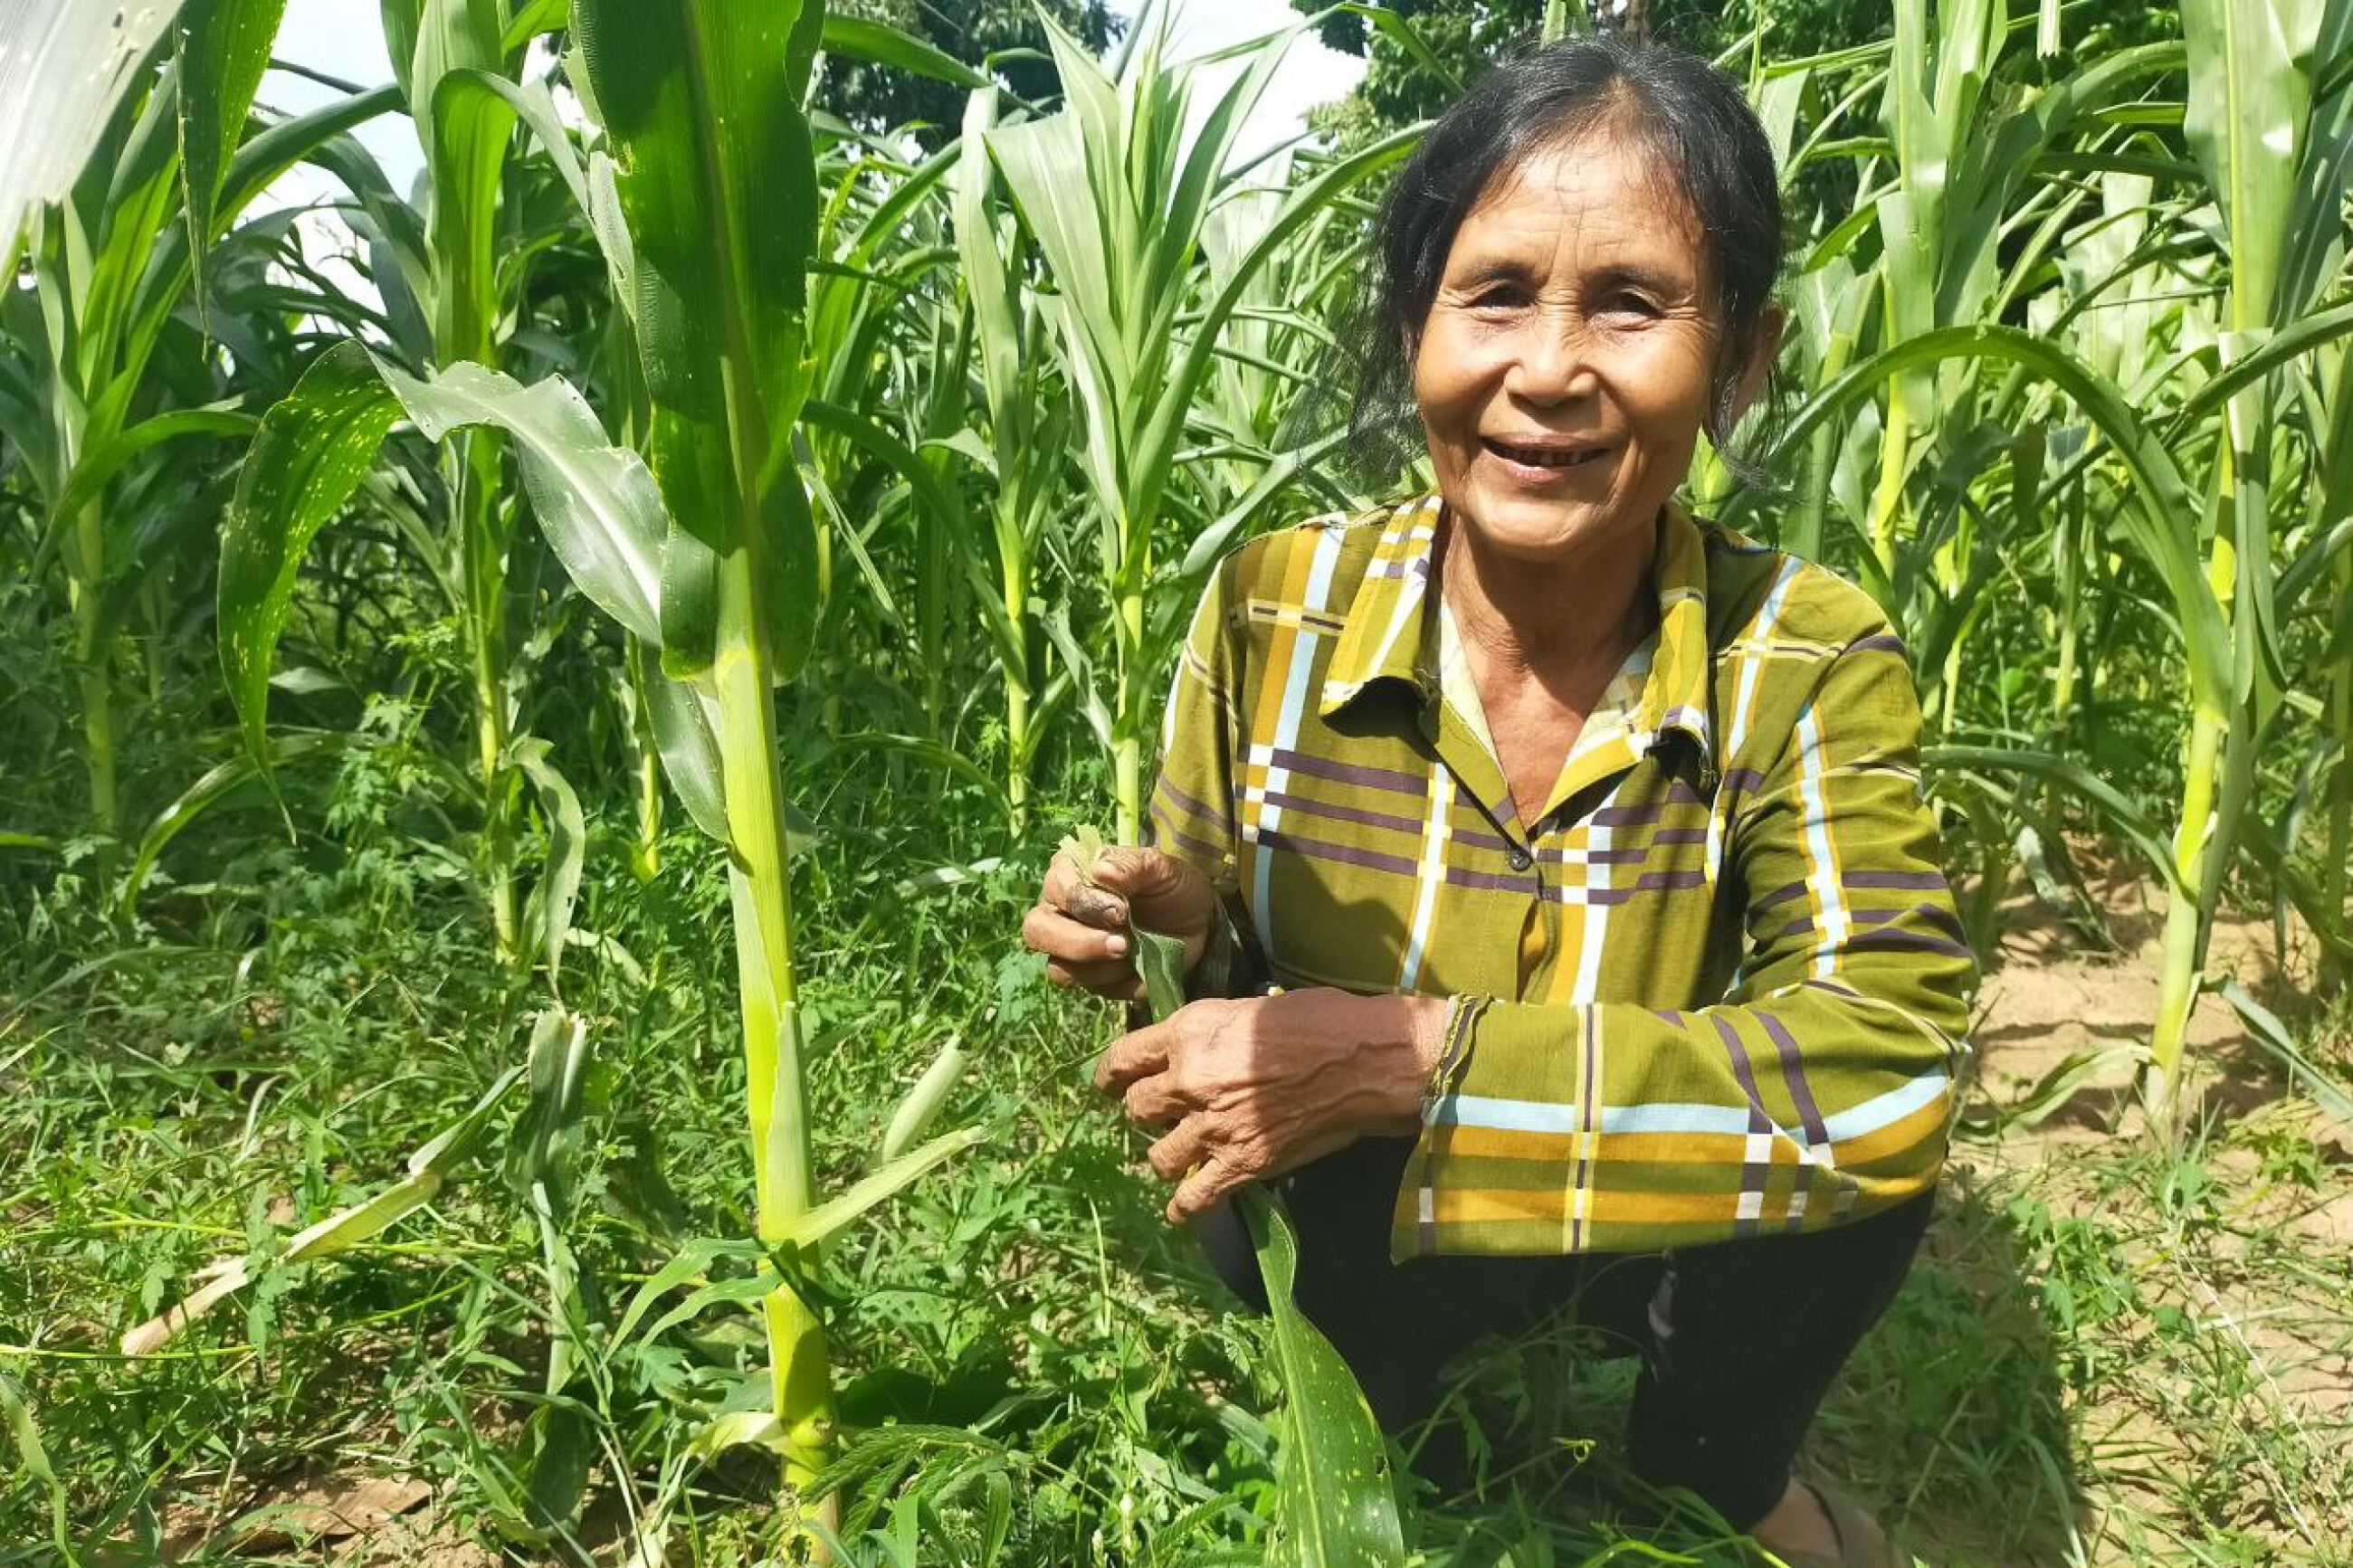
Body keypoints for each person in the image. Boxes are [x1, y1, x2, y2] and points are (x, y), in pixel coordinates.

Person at [1021, 34, 1976, 1568]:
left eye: (1632, 303)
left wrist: (1422, 1058)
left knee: (1859, 1162)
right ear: (1417, 325)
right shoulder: (1275, 605)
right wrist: (1173, 922)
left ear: (1743, 360)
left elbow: (1892, 1064)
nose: (1548, 369)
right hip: (1359, 1226)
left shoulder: (1803, 651)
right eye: (1498, 291)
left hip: (1644, 1232)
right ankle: (1364, 1417)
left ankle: (1710, 1468)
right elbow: (1217, 977)